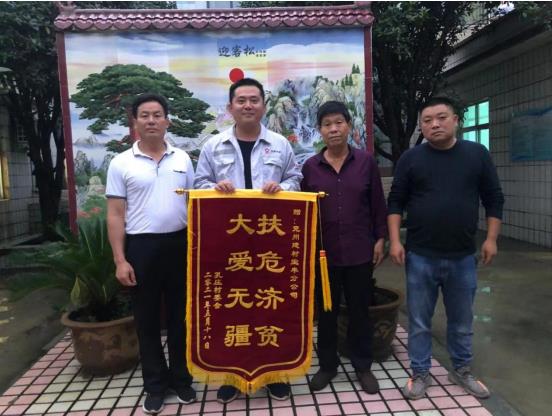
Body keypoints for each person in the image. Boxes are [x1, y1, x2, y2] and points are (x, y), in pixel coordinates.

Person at [387, 96, 504, 401]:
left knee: (462, 321)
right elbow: (396, 201)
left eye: (441, 117)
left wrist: (491, 239)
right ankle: (420, 372)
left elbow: (494, 198)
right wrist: (395, 241)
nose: (434, 124)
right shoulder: (411, 159)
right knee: (419, 321)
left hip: (463, 256)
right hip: (420, 255)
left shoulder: (476, 154)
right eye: (427, 121)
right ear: (421, 126)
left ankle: (462, 370)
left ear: (456, 120)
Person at [194, 77, 302, 403]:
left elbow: (295, 178)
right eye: (241, 100)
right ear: (230, 107)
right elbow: (199, 184)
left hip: (271, 244)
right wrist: (215, 189)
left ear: (263, 106)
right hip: (229, 246)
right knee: (232, 308)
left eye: (254, 100)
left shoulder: (280, 144)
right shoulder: (213, 146)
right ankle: (232, 376)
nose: (248, 105)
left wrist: (282, 188)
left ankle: (274, 373)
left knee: (271, 306)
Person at [106, 93, 196, 414]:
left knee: (180, 317)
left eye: (157, 115)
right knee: (146, 320)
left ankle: (182, 380)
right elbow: (115, 214)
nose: (151, 121)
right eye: (144, 115)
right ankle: (155, 386)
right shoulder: (121, 163)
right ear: (134, 121)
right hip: (141, 248)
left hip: (179, 245)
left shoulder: (182, 159)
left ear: (167, 120)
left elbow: (193, 204)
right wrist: (120, 260)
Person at [300, 101, 387, 394]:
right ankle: (327, 366)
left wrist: (380, 238)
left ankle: (362, 366)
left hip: (360, 251)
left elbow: (377, 203)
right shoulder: (310, 168)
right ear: (320, 130)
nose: (334, 129)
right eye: (327, 124)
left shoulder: (365, 162)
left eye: (339, 122)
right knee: (326, 312)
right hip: (323, 256)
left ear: (349, 126)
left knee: (360, 311)